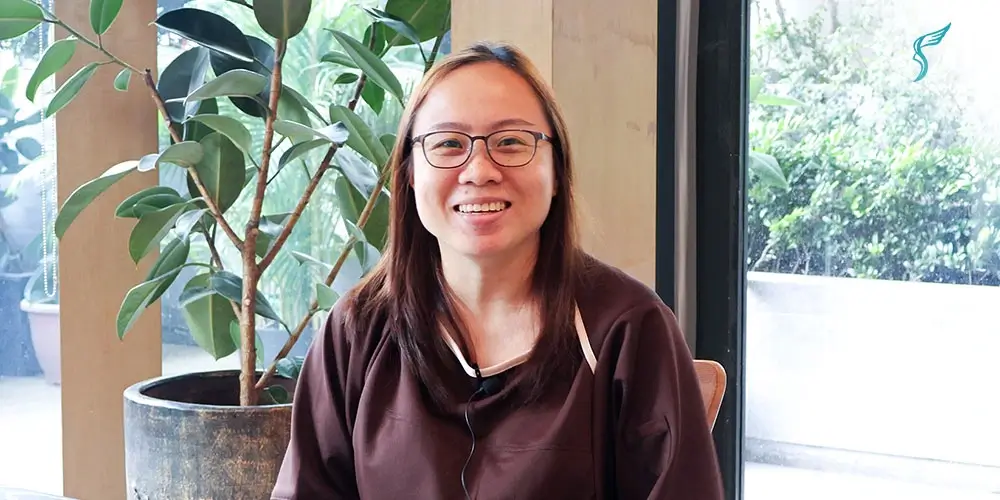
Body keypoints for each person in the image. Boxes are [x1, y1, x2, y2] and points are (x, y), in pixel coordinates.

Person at [270, 41, 725, 500]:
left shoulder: (628, 329)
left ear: (557, 170)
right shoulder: (358, 330)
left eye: (511, 141)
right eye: (448, 144)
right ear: (409, 173)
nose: (479, 170)